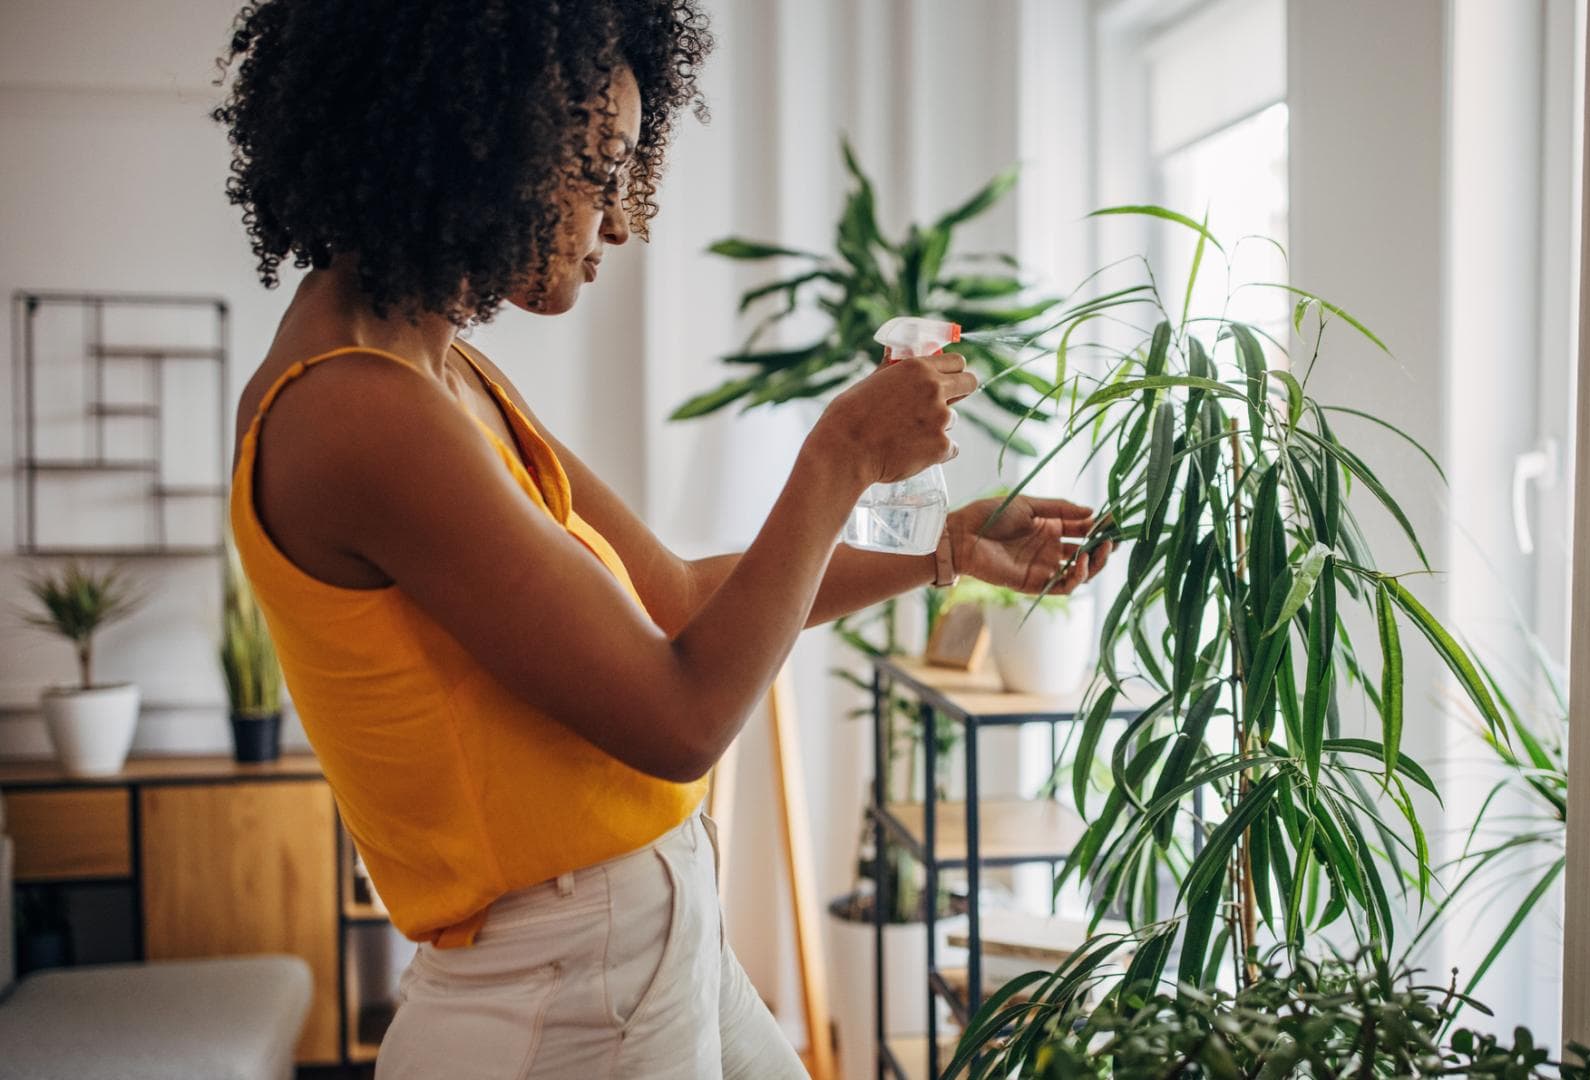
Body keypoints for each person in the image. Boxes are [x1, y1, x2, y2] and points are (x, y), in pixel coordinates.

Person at [212, 1, 1110, 1077]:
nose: (625, 221)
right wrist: (837, 457)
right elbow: (681, 720)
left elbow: (681, 598)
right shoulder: (356, 412)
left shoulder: (440, 376)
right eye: (601, 168)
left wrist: (944, 552)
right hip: (566, 1009)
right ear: (481, 139)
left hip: (649, 953)